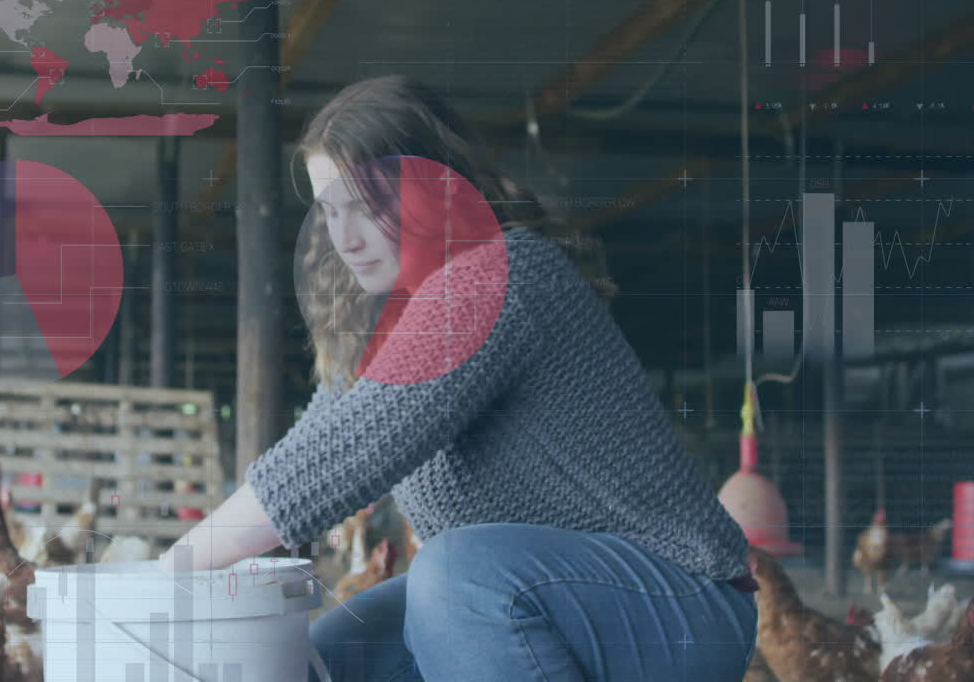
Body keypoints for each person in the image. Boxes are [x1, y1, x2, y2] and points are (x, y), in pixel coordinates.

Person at [162, 75, 758, 681]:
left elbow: (343, 454)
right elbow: (314, 440)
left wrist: (170, 572)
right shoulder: (391, 322)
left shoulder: (501, 277)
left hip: (681, 603)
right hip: (556, 592)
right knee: (337, 653)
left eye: (365, 204)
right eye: (330, 210)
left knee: (457, 573)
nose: (344, 237)